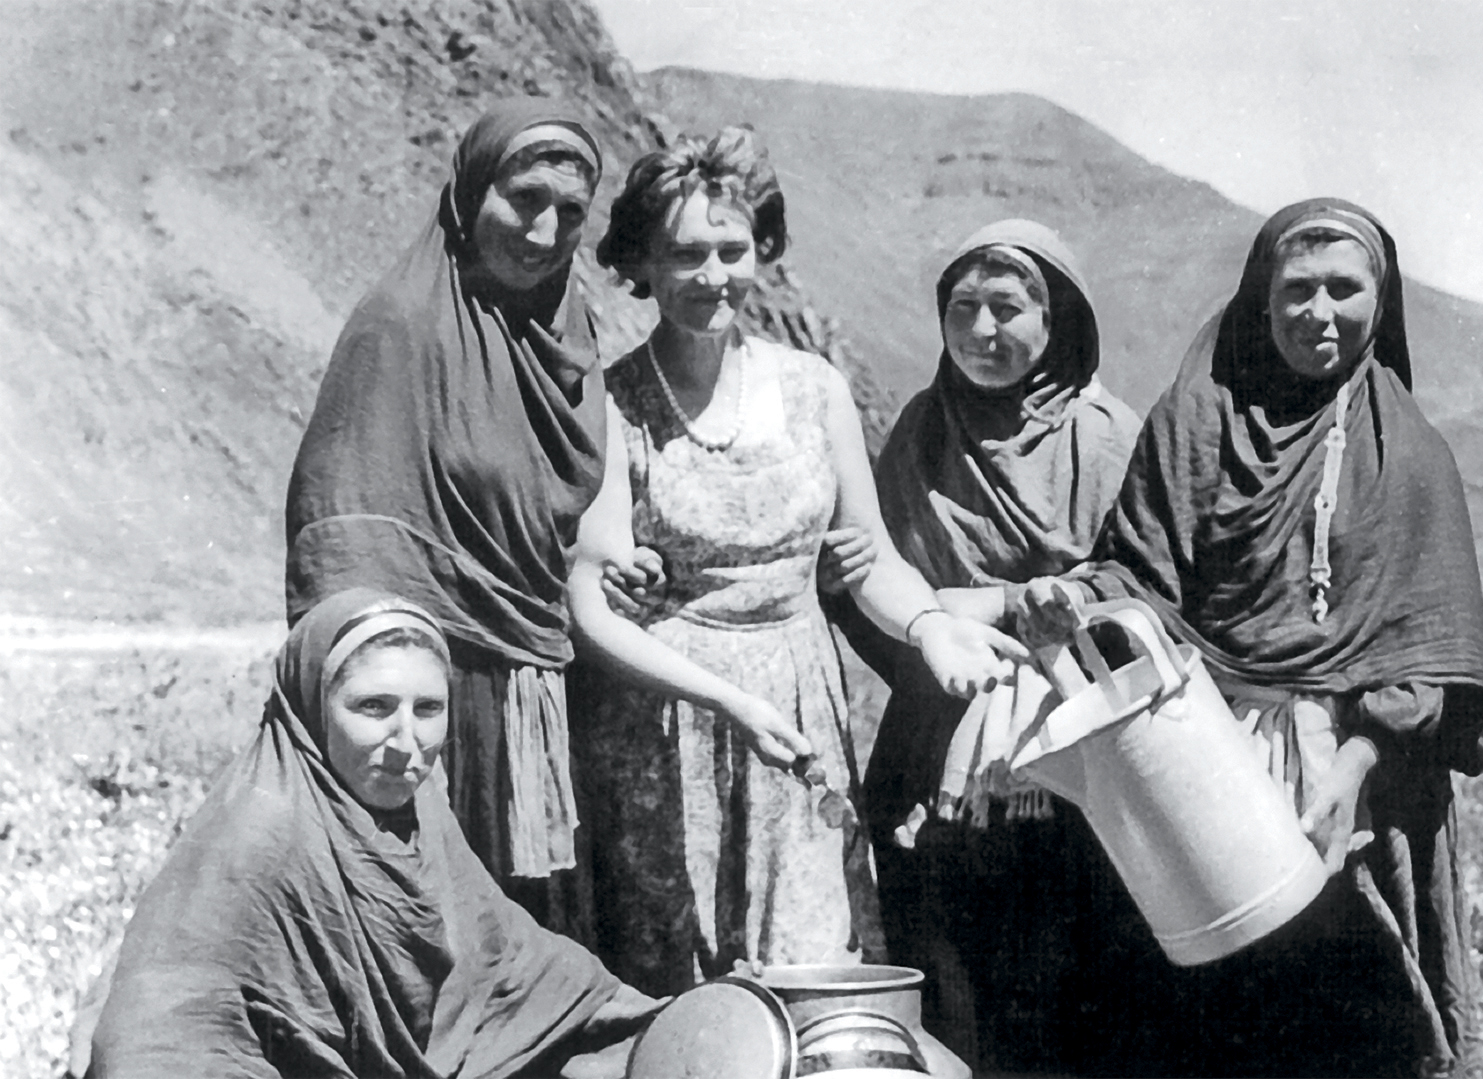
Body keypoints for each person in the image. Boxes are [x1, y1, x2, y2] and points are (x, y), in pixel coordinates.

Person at [1022, 198, 1483, 1078]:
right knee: (1194, 1023)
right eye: (1297, 290)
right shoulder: (1194, 422)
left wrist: (1354, 765)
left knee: (1353, 1032)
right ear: (1260, 297)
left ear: (1381, 300)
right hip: (1201, 762)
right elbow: (1137, 570)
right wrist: (1075, 597)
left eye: (1344, 290)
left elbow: (1439, 657)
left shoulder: (1409, 451)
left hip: (1359, 783)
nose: (1320, 313)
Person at [566, 127, 1025, 998]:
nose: (712, 276)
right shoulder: (613, 404)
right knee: (681, 990)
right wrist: (723, 696)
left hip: (797, 720)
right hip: (663, 726)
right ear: (643, 263)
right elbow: (590, 607)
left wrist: (929, 625)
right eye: (685, 254)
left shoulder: (816, 389)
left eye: (731, 251)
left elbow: (869, 559)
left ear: (762, 250)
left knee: (812, 970)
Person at [825, 219, 1162, 1076]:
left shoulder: (1106, 437)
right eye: (963, 308)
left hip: (1074, 761)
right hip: (933, 754)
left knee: (1061, 998)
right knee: (944, 988)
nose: (982, 330)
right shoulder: (922, 430)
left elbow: (1146, 587)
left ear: (1057, 320)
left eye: (1007, 308)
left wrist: (1009, 607)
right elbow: (877, 586)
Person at [84, 590, 663, 1079]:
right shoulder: (259, 839)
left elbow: (518, 967)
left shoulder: (420, 813)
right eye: (373, 707)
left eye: (428, 708)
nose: (407, 742)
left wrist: (667, 1022)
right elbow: (158, 1042)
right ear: (311, 708)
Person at [286, 101, 608, 921]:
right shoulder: (401, 326)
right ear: (470, 196)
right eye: (524, 198)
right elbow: (341, 538)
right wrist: (392, 718)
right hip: (431, 709)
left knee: (536, 946)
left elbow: (549, 522)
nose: (545, 232)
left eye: (571, 211)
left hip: (540, 692)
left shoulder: (567, 337)